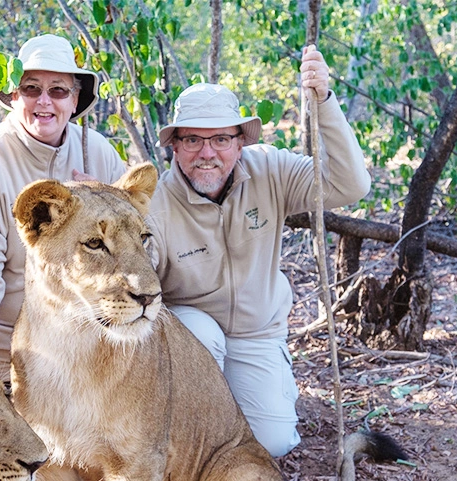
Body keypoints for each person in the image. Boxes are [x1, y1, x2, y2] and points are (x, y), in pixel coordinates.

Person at [145, 46, 371, 457]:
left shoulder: (271, 170)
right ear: (174, 145)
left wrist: (324, 103)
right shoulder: (154, 204)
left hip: (256, 332)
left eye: (221, 139)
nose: (207, 153)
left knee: (273, 443)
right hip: (192, 335)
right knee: (200, 333)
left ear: (240, 143)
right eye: (193, 139)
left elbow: (350, 185)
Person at [0, 34, 128, 375]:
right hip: (15, 354)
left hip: (93, 350)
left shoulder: (99, 154)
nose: (44, 102)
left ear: (74, 100)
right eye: (31, 89)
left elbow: (139, 250)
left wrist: (104, 200)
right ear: (14, 96)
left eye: (57, 90)